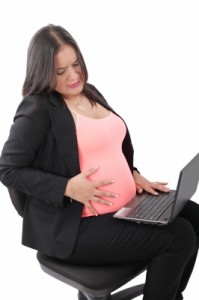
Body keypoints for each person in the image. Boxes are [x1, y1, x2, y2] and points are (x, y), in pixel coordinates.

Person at [0, 24, 198, 300]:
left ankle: (170, 293)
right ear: (43, 73)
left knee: (193, 215)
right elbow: (8, 170)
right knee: (179, 236)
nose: (73, 75)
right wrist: (67, 187)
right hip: (78, 227)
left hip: (123, 208)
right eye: (60, 71)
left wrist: (133, 174)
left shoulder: (89, 91)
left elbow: (108, 146)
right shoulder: (38, 109)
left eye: (75, 64)